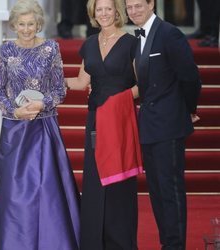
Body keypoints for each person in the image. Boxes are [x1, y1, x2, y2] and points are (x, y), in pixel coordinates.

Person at [0, 0, 80, 249]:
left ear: (39, 23)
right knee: (15, 193)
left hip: (44, 128)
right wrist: (15, 111)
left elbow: (59, 89)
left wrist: (42, 105)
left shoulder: (51, 48)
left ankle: (55, 242)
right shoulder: (6, 51)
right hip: (15, 130)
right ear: (13, 25)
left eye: (31, 24)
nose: (27, 29)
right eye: (21, 24)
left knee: (48, 190)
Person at [65, 0, 143, 249]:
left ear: (117, 12)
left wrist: (119, 102)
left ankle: (119, 242)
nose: (104, 13)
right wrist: (50, 79)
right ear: (93, 14)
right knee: (95, 179)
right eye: (99, 9)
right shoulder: (89, 44)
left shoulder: (131, 43)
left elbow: (143, 84)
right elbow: (80, 82)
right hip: (95, 120)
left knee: (118, 182)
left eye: (109, 8)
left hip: (120, 119)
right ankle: (93, 242)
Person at [125, 0, 201, 249]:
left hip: (168, 125)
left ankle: (175, 246)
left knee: (170, 192)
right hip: (148, 125)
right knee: (157, 193)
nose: (133, 11)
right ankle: (167, 244)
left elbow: (190, 77)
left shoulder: (169, 33)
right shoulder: (138, 38)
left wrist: (187, 110)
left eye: (138, 5)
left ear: (151, 4)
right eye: (129, 7)